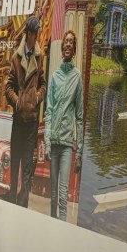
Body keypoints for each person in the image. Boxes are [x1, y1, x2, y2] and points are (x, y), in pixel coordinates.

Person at [4, 15, 46, 207]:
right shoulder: (16, 57)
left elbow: (43, 84)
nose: (36, 36)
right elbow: (8, 87)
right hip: (19, 121)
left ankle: (23, 206)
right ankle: (11, 203)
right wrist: (18, 102)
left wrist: (37, 97)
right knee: (15, 166)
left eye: (37, 32)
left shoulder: (40, 56)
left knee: (28, 168)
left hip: (32, 124)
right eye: (34, 32)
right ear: (29, 33)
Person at [44, 30, 83, 220]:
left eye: (71, 42)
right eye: (66, 41)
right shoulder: (55, 76)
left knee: (62, 196)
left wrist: (80, 152)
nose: (68, 44)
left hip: (67, 145)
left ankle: (62, 229)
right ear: (62, 47)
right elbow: (49, 111)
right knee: (52, 196)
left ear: (74, 48)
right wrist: (47, 141)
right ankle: (52, 228)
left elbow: (79, 117)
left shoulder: (77, 77)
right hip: (53, 144)